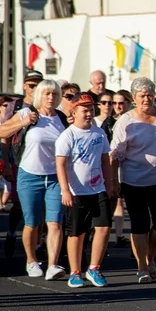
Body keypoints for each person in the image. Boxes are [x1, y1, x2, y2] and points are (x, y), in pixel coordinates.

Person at [110, 77, 156, 283]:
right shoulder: (126, 121)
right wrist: (113, 181)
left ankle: (149, 256)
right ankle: (142, 267)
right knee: (139, 224)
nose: (146, 99)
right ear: (133, 98)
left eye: (150, 95)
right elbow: (114, 154)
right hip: (134, 181)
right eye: (142, 96)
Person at [0, 78, 67, 279]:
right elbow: (1, 131)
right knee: (32, 222)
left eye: (54, 94)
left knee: (54, 222)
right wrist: (23, 122)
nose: (51, 97)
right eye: (46, 93)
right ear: (39, 96)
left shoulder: (61, 118)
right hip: (29, 175)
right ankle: (31, 260)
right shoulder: (27, 113)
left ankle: (53, 265)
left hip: (54, 177)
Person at [55, 94, 113, 288]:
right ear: (74, 112)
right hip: (76, 191)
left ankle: (94, 268)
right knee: (77, 234)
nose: (89, 114)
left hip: (98, 189)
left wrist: (110, 183)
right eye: (84, 110)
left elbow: (105, 159)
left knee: (103, 227)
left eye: (91, 110)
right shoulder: (68, 135)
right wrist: (65, 190)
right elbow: (60, 164)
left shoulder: (99, 133)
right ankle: (75, 271)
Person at [0, 70, 44, 259]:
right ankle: (11, 233)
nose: (34, 88)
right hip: (20, 160)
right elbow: (4, 135)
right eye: (31, 85)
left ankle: (39, 242)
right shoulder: (15, 106)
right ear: (25, 85)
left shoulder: (45, 105)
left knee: (41, 205)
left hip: (42, 161)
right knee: (19, 205)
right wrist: (7, 165)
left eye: (38, 85)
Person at [110, 89, 133, 248]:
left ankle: (135, 241)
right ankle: (119, 234)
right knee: (117, 202)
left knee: (134, 207)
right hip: (114, 166)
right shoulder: (108, 121)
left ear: (128, 103)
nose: (117, 106)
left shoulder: (133, 120)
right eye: (114, 103)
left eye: (121, 103)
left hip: (132, 167)